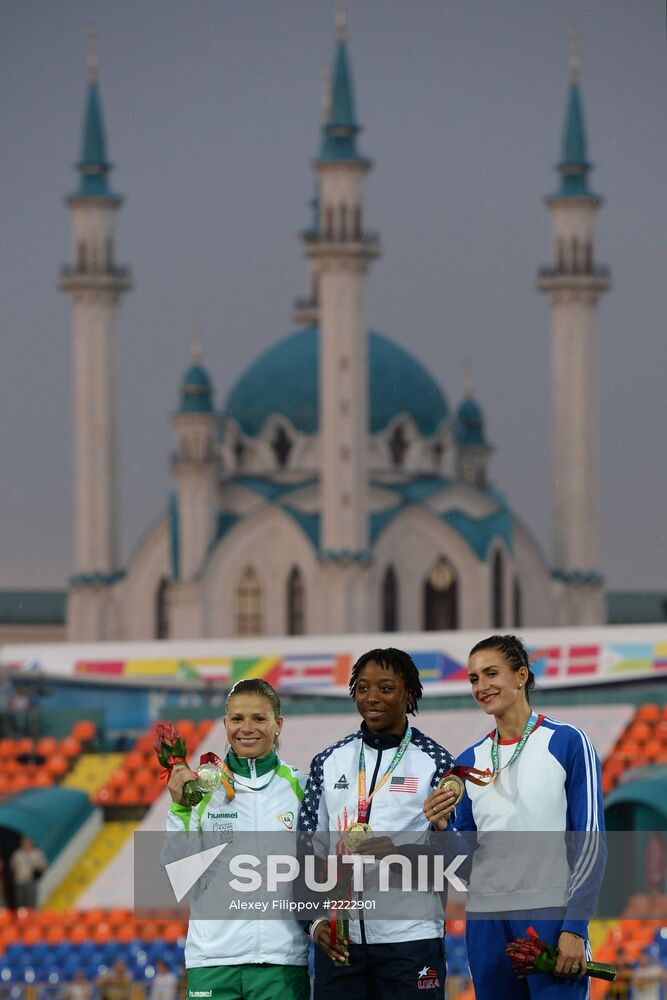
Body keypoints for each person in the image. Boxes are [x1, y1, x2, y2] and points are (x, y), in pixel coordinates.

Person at [425, 633, 606, 1000]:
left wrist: (575, 927)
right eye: (474, 678)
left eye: (492, 673)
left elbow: (590, 841)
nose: (482, 686)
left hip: (550, 916)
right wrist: (441, 828)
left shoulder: (567, 742)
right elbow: (464, 866)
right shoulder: (466, 764)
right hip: (486, 923)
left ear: (521, 676)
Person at [298, 647, 456, 1000]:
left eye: (386, 688)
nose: (372, 698)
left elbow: (458, 858)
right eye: (363, 688)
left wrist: (397, 853)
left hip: (411, 941)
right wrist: (315, 922)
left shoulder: (438, 764)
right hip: (341, 943)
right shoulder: (328, 761)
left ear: (409, 694)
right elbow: (306, 848)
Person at [166, 678, 310, 1000]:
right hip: (212, 962)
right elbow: (178, 875)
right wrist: (180, 808)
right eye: (237, 719)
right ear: (225, 724)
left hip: (282, 962)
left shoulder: (301, 787)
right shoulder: (200, 789)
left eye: (259, 718)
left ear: (278, 725)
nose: (247, 728)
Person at [9, 835, 47, 908]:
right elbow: (12, 868)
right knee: (20, 904)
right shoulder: (17, 854)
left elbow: (43, 866)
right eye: (24, 842)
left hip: (31, 881)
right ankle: (22, 918)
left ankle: (32, 919)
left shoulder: (37, 853)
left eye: (28, 842)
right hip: (19, 882)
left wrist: (37, 872)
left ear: (32, 843)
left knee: (31, 904)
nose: (26, 844)